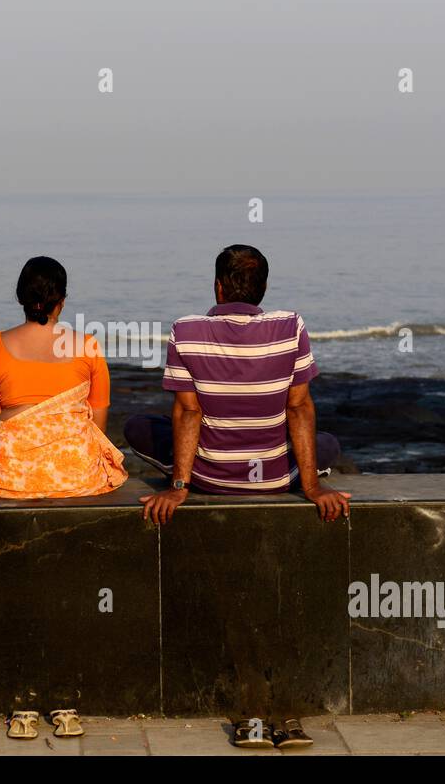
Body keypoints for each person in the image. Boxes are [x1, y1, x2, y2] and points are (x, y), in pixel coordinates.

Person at [123, 244, 350, 749]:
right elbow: (300, 408)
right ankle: (296, 470)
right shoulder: (290, 326)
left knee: (138, 426)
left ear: (218, 288)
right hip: (270, 476)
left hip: (210, 476)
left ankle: (194, 473)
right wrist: (312, 486)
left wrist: (179, 487)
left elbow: (187, 413)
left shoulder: (186, 329)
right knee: (327, 444)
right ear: (262, 291)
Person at [0, 256, 127, 740]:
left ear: (21, 297)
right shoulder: (88, 347)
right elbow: (97, 429)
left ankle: (23, 706)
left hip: (11, 480)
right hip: (77, 478)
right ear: (61, 300)